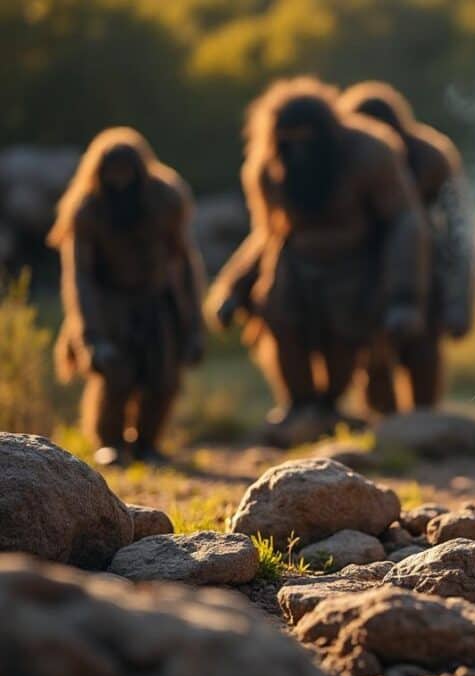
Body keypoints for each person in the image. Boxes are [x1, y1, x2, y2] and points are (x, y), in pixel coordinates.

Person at [206, 77, 427, 446]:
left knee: (347, 338)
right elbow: (266, 233)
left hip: (355, 266)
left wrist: (404, 295)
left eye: (308, 137)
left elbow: (405, 221)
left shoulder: (370, 152)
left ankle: (329, 405)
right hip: (293, 263)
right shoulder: (265, 168)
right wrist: (233, 287)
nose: (300, 149)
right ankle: (298, 403)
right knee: (279, 319)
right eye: (289, 140)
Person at [50, 127, 205, 465]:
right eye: (112, 175)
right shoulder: (86, 209)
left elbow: (185, 262)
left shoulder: (166, 198)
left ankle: (148, 444)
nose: (120, 182)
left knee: (163, 379)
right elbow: (80, 277)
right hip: (109, 304)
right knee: (114, 376)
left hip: (156, 301)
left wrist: (193, 325)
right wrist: (90, 336)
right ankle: (111, 443)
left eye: (126, 174)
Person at [337, 81, 475, 412]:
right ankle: (388, 434)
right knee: (374, 360)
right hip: (364, 268)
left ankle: (424, 427)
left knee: (423, 352)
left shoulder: (431, 157)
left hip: (426, 270)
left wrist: (458, 303)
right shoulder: (342, 158)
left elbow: (458, 230)